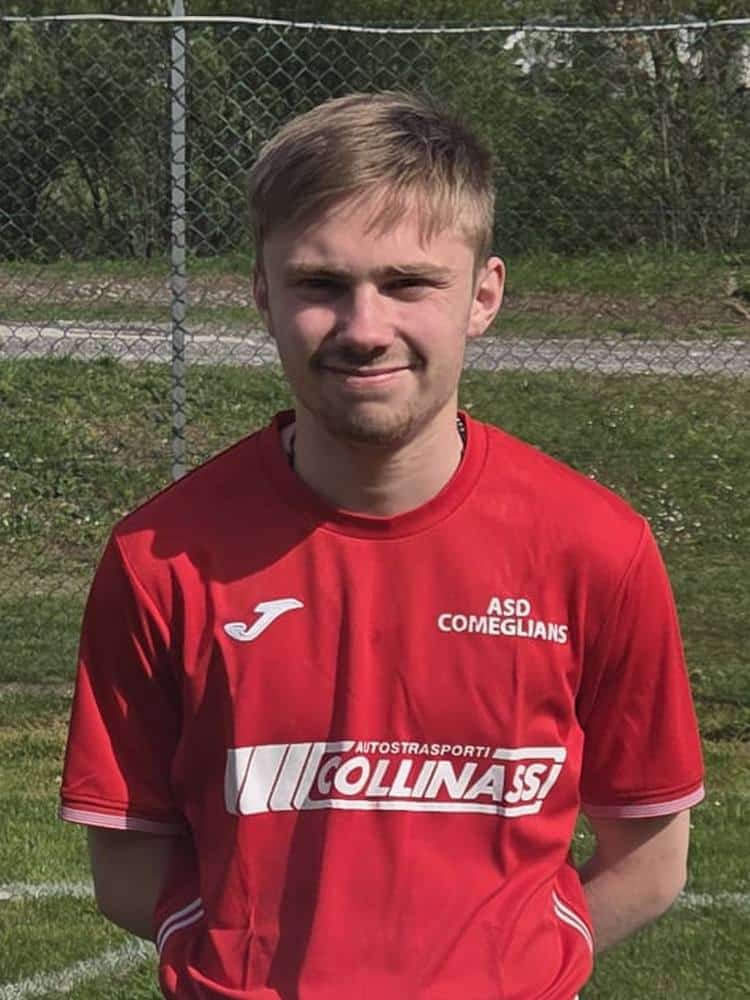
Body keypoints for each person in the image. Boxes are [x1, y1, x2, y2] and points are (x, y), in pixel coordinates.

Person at [60, 91, 704, 1000]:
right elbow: (129, 864)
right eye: (321, 285)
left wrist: (510, 971)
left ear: (483, 295)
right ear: (263, 295)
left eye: (409, 284)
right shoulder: (161, 559)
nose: (365, 329)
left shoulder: (597, 548)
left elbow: (651, 859)